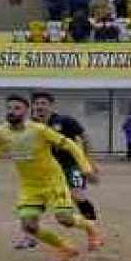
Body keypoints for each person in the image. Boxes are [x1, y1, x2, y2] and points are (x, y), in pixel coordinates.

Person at [0, 95, 102, 261]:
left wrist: (86, 167)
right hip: (30, 186)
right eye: (9, 108)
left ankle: (91, 227)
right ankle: (65, 247)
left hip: (53, 180)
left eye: (17, 108)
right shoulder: (1, 133)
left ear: (26, 111)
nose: (12, 112)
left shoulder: (39, 129)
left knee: (65, 219)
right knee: (29, 226)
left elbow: (71, 145)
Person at [29, 92, 104, 248]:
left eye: (43, 103)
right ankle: (30, 235)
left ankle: (93, 232)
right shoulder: (30, 125)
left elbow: (85, 137)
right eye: (37, 103)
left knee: (78, 196)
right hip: (47, 170)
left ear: (50, 105)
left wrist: (90, 163)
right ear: (33, 106)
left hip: (71, 166)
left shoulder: (65, 121)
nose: (40, 106)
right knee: (37, 200)